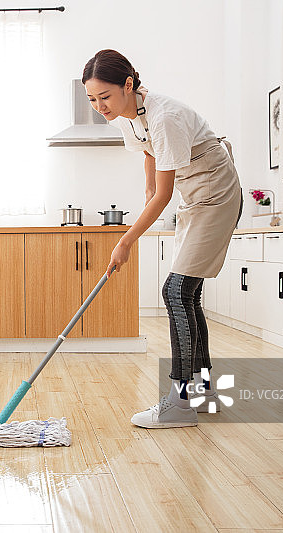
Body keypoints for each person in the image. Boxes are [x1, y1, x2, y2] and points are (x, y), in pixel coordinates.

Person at [82, 49, 242, 429]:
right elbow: (149, 161)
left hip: (215, 194)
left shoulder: (165, 116)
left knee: (175, 292)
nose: (99, 106)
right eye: (92, 99)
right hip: (194, 195)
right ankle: (203, 394)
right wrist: (146, 198)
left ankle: (181, 401)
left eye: (105, 96)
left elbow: (163, 195)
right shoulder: (126, 117)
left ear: (129, 84)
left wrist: (126, 240)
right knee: (186, 294)